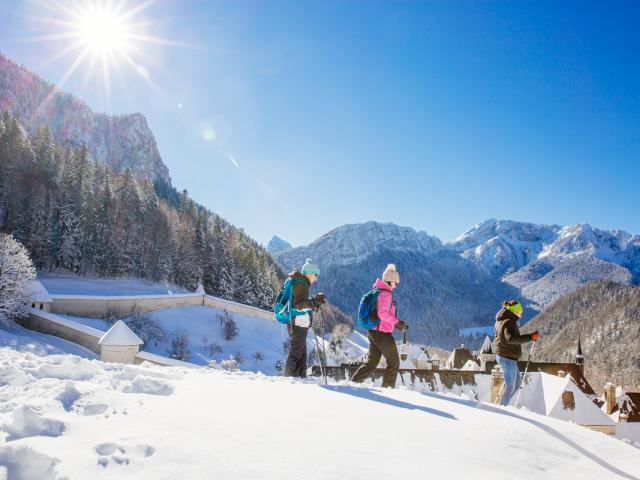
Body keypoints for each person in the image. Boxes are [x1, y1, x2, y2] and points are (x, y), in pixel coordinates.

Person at [350, 264, 408, 388]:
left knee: (371, 362)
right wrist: (397, 323)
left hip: (373, 332)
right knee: (394, 363)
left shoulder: (378, 291)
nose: (396, 285)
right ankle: (388, 390)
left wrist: (397, 323)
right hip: (382, 334)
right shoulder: (386, 294)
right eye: (395, 282)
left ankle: (352, 384)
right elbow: (382, 314)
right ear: (390, 280)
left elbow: (381, 313)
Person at [284, 258, 326, 378]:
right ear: (309, 273)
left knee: (302, 355)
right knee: (296, 354)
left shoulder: (301, 283)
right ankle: (289, 380)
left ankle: (301, 379)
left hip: (298, 323)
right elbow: (298, 305)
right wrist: (313, 303)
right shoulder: (301, 284)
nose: (316, 278)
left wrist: (313, 303)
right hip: (297, 323)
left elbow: (301, 302)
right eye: (316, 275)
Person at [493, 300, 540, 406]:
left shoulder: (501, 319)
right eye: (519, 312)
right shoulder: (509, 322)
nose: (521, 315)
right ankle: (501, 409)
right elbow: (510, 339)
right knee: (510, 387)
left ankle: (503, 403)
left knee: (517, 384)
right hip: (506, 358)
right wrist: (530, 337)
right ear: (514, 311)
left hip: (506, 356)